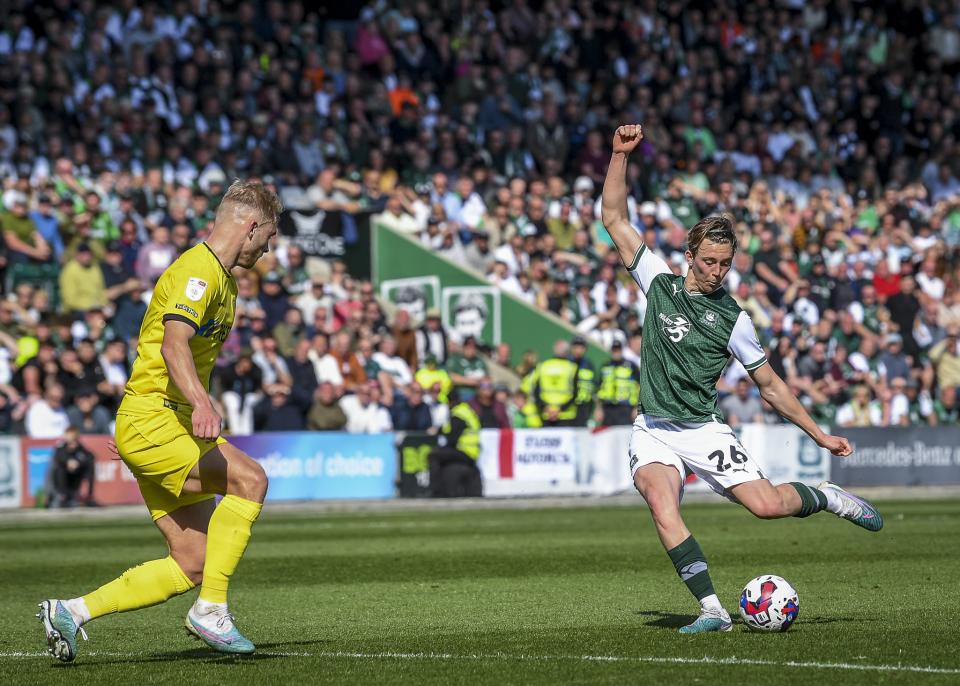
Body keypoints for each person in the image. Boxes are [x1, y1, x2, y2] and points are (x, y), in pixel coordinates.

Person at [601, 125, 882, 635]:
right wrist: (620, 155)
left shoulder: (735, 320)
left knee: (768, 506)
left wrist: (819, 434)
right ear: (689, 256)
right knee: (661, 504)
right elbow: (614, 217)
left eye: (725, 264)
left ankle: (828, 496)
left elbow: (770, 386)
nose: (716, 271)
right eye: (708, 261)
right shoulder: (658, 282)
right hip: (653, 428)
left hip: (702, 430)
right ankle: (713, 611)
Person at [37, 180, 282, 660]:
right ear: (250, 226)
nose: (268, 247)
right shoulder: (199, 271)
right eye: (268, 237)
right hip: (158, 420)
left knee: (193, 562)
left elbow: (155, 346)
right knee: (250, 480)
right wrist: (199, 406)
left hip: (156, 422)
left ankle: (69, 612)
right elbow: (173, 346)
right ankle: (211, 610)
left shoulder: (223, 280)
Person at [430, 392, 483, 497]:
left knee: (433, 456)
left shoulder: (457, 414)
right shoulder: (466, 410)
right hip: (473, 451)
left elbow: (452, 438)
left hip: (465, 451)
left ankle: (435, 491)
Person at [529, 340, 579, 426]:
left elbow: (535, 391)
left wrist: (546, 408)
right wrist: (559, 409)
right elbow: (575, 393)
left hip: (546, 414)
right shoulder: (572, 368)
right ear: (567, 352)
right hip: (565, 416)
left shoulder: (542, 366)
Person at [46, 427, 96, 508]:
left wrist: (78, 462)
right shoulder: (61, 448)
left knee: (90, 465)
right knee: (58, 468)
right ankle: (61, 496)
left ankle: (89, 496)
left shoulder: (80, 448)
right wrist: (68, 462)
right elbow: (59, 457)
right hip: (61, 481)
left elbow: (90, 456)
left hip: (75, 479)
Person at [597, 340, 640, 426]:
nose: (616, 352)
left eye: (618, 349)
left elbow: (640, 387)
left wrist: (637, 408)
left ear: (621, 350)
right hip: (607, 408)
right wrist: (598, 409)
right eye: (614, 350)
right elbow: (599, 389)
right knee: (606, 436)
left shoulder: (631, 366)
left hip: (625, 408)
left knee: (624, 436)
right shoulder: (605, 366)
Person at [569, 335, 596, 426]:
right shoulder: (567, 362)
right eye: (576, 347)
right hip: (568, 407)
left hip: (584, 407)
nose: (578, 350)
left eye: (581, 347)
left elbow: (593, 387)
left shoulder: (589, 365)